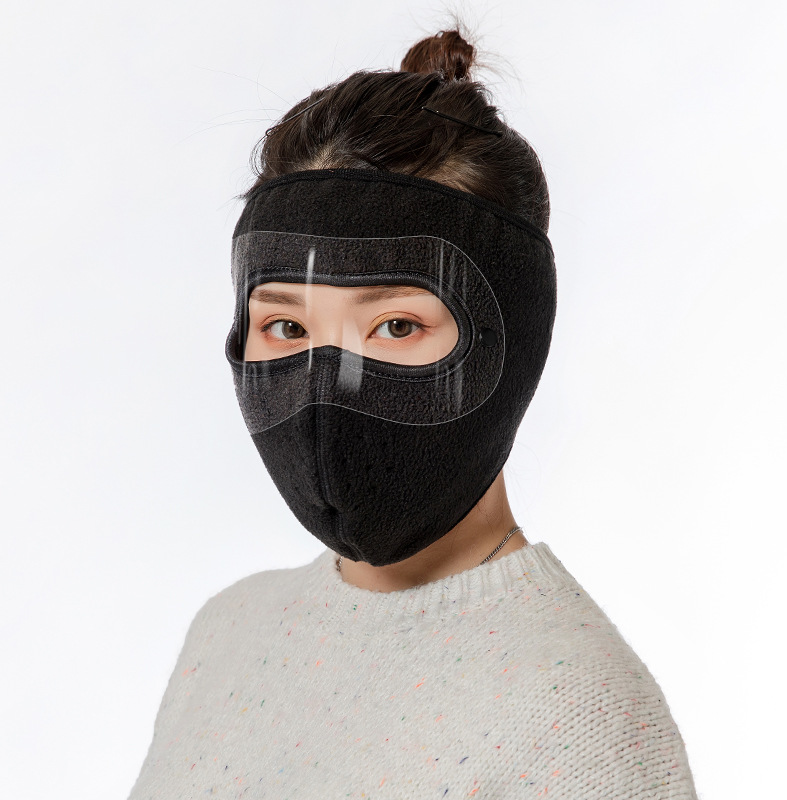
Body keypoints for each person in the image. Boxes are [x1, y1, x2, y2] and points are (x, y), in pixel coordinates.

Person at [128, 29, 698, 799]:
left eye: (396, 326)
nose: (326, 389)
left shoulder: (581, 717)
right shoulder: (226, 635)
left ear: (511, 340)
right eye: (287, 327)